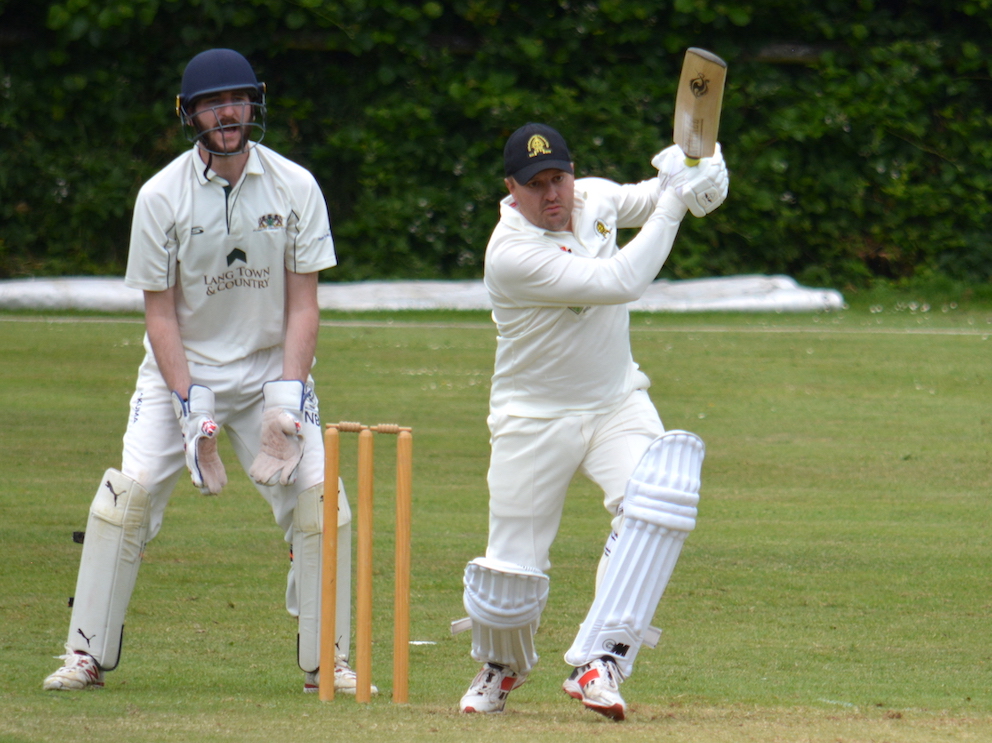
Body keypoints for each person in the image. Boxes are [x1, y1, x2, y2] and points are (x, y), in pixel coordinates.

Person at [43, 48, 371, 695]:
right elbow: (159, 316)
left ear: (255, 104)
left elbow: (304, 304)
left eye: (238, 99)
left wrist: (286, 396)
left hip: (270, 374)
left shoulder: (295, 186)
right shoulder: (160, 197)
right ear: (189, 113)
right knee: (127, 497)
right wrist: (189, 401)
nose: (227, 112)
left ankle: (326, 660)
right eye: (212, 102)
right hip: (179, 374)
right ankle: (84, 653)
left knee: (322, 505)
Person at [455, 123, 727, 720]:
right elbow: (621, 280)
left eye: (560, 177)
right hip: (533, 418)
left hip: (615, 403)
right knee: (510, 573)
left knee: (659, 502)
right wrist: (679, 201)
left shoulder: (593, 198)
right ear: (511, 189)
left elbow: (660, 194)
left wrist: (701, 171)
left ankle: (600, 661)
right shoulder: (512, 254)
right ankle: (502, 667)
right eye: (537, 185)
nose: (553, 194)